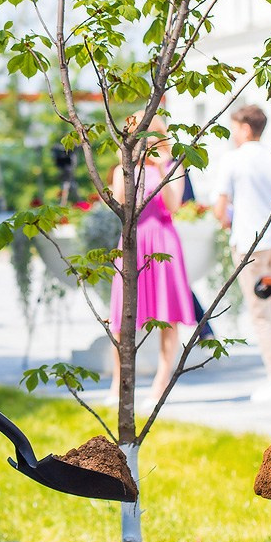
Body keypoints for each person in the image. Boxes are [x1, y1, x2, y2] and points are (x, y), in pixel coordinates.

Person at [213, 104, 271, 402]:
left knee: (260, 314)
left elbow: (219, 211)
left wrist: (234, 216)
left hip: (251, 243)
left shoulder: (233, 161)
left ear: (244, 128)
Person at [109, 113, 196, 406]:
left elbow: (173, 205)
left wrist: (161, 164)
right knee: (120, 319)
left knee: (167, 315)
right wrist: (127, 164)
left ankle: (160, 384)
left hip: (163, 242)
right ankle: (117, 385)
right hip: (133, 242)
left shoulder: (173, 166)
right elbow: (121, 202)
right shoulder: (125, 167)